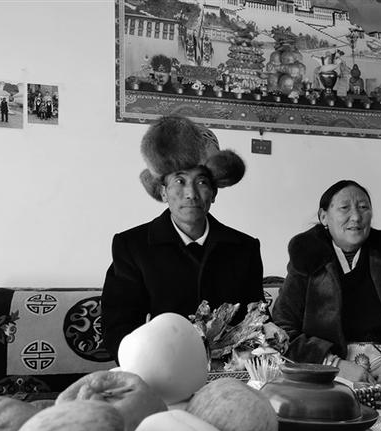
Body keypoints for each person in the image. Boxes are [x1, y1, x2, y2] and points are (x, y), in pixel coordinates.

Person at [102, 114, 264, 360]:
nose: (191, 193)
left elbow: (256, 318)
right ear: (163, 192)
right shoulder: (132, 247)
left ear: (214, 193)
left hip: (230, 371)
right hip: (157, 368)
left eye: (202, 182)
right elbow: (117, 329)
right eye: (179, 180)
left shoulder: (244, 248)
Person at [272, 180, 381, 387]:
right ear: (324, 217)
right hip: (324, 376)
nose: (356, 217)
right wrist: (334, 364)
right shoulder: (307, 260)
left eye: (363, 207)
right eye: (344, 208)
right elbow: (281, 329)